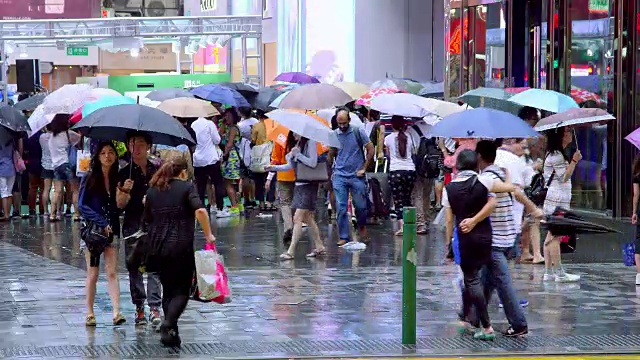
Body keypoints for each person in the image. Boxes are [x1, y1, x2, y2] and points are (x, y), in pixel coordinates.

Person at [143, 158, 215, 347]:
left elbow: (147, 220)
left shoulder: (152, 191)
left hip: (158, 249)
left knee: (168, 291)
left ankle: (171, 334)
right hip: (180, 248)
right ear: (183, 172)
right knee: (183, 291)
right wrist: (209, 235)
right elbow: (200, 211)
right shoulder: (186, 187)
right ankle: (168, 324)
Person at [475, 140, 543, 337]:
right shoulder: (502, 172)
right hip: (507, 235)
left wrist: (532, 208)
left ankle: (519, 324)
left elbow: (514, 191)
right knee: (486, 281)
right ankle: (471, 315)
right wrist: (533, 209)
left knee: (503, 283)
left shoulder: (487, 178)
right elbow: (516, 190)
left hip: (494, 241)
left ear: (479, 157)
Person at [443, 149, 498, 340]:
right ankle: (467, 314)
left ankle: (487, 326)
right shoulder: (485, 181)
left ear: (457, 166)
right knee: (474, 278)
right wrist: (475, 220)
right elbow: (494, 201)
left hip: (464, 238)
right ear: (476, 164)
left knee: (471, 279)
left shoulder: (449, 188)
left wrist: (449, 242)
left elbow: (449, 220)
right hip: (485, 237)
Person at [116, 131, 162, 327]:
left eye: (141, 143)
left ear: (148, 146)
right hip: (132, 224)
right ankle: (139, 307)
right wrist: (125, 190)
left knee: (154, 267)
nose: (137, 148)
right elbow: (119, 205)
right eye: (133, 143)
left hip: (154, 224)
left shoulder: (157, 171)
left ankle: (154, 307)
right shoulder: (124, 173)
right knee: (134, 267)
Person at [78, 142, 124, 327]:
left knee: (112, 272)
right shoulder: (89, 177)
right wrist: (101, 222)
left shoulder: (118, 178)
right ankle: (89, 312)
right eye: (103, 153)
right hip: (94, 233)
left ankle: (116, 311)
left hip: (112, 232)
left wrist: (125, 192)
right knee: (93, 273)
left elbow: (119, 205)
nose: (108, 156)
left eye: (111, 152)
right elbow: (82, 205)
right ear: (97, 157)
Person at [266, 135, 325, 260]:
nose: (294, 135)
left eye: (296, 133)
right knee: (308, 218)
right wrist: (274, 168)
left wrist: (298, 155)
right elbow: (289, 166)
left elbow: (313, 162)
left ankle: (291, 251)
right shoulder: (298, 145)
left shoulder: (311, 142)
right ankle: (319, 245)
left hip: (309, 185)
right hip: (299, 184)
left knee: (297, 218)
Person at [542, 127, 582, 282]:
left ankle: (548, 272)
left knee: (550, 236)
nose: (570, 134)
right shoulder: (557, 155)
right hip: (557, 201)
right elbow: (564, 177)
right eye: (566, 132)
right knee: (556, 236)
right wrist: (574, 161)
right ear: (560, 136)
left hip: (555, 200)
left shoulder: (554, 154)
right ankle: (559, 272)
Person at [330, 107, 374, 245]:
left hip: (356, 175)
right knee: (341, 207)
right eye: (339, 123)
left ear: (349, 120)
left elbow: (371, 149)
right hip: (340, 175)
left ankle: (361, 225)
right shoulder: (334, 134)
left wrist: (364, 168)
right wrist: (330, 172)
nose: (342, 126)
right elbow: (331, 154)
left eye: (344, 123)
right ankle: (344, 236)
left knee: (360, 206)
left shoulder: (357, 131)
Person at [384, 115, 416, 236]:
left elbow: (388, 154)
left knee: (398, 200)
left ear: (392, 125)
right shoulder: (410, 136)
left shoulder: (388, 138)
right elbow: (413, 152)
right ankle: (409, 225)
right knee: (407, 198)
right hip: (410, 170)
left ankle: (402, 226)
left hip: (395, 171)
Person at [48, 114, 81, 222]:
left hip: (56, 166)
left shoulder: (51, 137)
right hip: (68, 164)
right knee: (75, 189)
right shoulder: (68, 134)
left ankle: (52, 214)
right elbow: (79, 139)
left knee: (57, 191)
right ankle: (76, 214)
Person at [191, 116, 226, 216]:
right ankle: (220, 208)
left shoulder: (193, 124)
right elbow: (217, 140)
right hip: (211, 159)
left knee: (200, 186)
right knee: (218, 183)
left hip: (198, 160)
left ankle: (201, 209)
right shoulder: (209, 124)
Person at [269, 132, 296, 244]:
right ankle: (294, 225)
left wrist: (269, 177)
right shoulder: (301, 138)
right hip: (299, 176)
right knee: (296, 203)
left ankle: (288, 227)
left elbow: (275, 159)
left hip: (283, 175)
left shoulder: (279, 138)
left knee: (285, 203)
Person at [219, 109, 242, 216]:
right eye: (225, 116)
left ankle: (234, 206)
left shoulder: (233, 128)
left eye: (228, 116)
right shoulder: (230, 128)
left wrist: (224, 155)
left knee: (228, 182)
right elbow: (218, 135)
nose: (226, 118)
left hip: (231, 158)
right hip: (234, 157)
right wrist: (223, 124)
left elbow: (229, 144)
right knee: (233, 183)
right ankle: (238, 204)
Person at [39, 127, 54, 217]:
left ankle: (45, 211)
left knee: (46, 189)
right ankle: (57, 211)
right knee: (56, 189)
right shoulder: (56, 136)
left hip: (45, 164)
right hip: (56, 164)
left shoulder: (42, 137)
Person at [631, 156, 640, 284]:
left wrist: (634, 212)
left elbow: (636, 195)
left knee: (639, 240)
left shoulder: (637, 175)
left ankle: (639, 275)